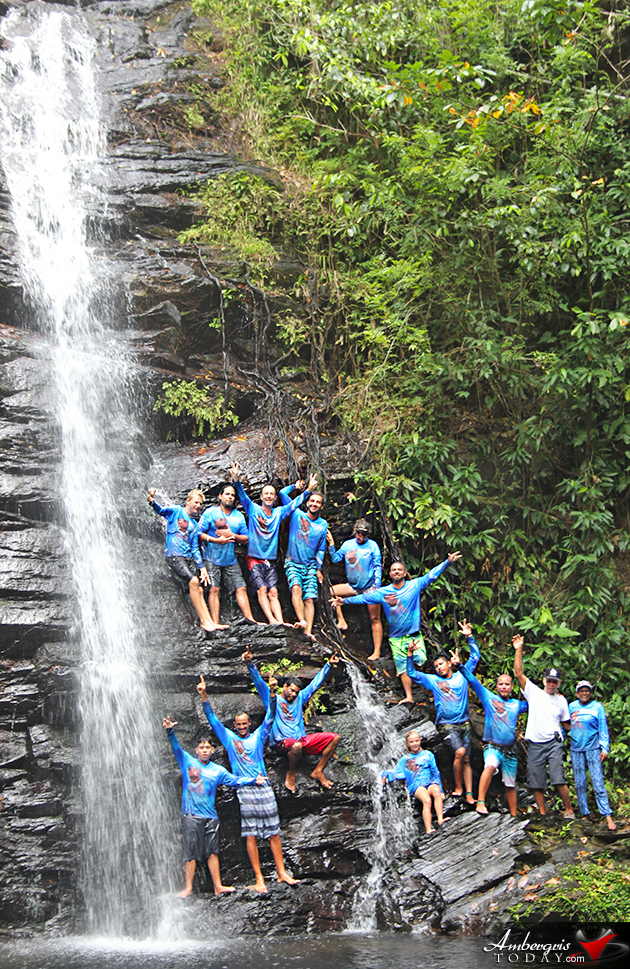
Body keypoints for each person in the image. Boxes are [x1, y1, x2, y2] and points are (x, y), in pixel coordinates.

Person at [197, 674, 298, 893]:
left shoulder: (259, 736)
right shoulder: (229, 739)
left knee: (274, 832)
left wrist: (273, 692)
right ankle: (259, 878)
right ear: (234, 725)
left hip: (264, 787)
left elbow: (271, 715)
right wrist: (204, 697)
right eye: (239, 724)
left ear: (249, 724)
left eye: (245, 724)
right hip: (245, 790)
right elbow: (213, 720)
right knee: (250, 834)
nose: (242, 726)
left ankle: (282, 872)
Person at [330, 553, 462, 703]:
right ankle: (409, 697)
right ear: (390, 574)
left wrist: (447, 562)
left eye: (399, 569)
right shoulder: (383, 592)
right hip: (396, 639)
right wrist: (344, 601)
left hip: (414, 635)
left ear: (405, 573)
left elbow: (431, 575)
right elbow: (364, 598)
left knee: (421, 660)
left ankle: (433, 689)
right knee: (403, 668)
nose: (397, 572)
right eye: (394, 570)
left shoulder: (414, 585)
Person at [162, 717, 266, 897]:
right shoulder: (187, 761)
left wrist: (252, 780)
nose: (204, 750)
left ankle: (218, 886)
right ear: (196, 750)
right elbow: (176, 747)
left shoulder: (218, 770)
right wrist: (170, 731)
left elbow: (235, 781)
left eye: (207, 747)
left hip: (211, 816)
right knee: (190, 851)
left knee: (212, 852)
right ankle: (188, 888)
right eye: (201, 747)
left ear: (212, 750)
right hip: (191, 814)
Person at [230, 463, 317, 625]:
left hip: (270, 560)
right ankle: (271, 620)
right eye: (266, 494)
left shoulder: (278, 513)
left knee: (274, 592)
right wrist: (236, 480)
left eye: (272, 494)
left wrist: (308, 491)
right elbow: (241, 495)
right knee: (262, 589)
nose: (269, 496)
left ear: (275, 498)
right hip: (253, 558)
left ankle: (280, 621)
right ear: (261, 496)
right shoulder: (253, 509)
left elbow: (293, 505)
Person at [245, 648, 340, 793]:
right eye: (292, 690)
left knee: (334, 738)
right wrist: (249, 663)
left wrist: (328, 665)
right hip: (282, 743)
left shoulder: (300, 698)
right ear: (284, 687)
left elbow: (315, 684)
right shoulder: (273, 699)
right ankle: (291, 772)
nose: (294, 694)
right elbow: (258, 682)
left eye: (296, 692)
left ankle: (318, 770)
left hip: (300, 741)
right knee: (296, 746)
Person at [405, 620, 480, 805]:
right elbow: (412, 673)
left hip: (464, 722)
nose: (439, 668)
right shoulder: (433, 680)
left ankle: (469, 793)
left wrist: (469, 637)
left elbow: (475, 656)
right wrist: (410, 654)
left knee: (467, 758)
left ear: (449, 663)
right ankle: (458, 787)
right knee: (460, 752)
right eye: (436, 666)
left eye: (441, 664)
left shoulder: (462, 675)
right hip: (446, 725)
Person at [457, 644, 528, 816]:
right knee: (489, 766)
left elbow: (535, 702)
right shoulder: (488, 698)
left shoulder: (516, 705)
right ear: (496, 686)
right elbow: (473, 681)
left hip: (510, 750)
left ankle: (513, 815)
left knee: (510, 785)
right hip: (492, 746)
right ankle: (480, 802)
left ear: (512, 687)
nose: (504, 687)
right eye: (501, 684)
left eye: (507, 684)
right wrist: (460, 666)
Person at [147, 487, 227, 633]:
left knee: (200, 588)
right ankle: (204, 622)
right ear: (187, 501)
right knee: (194, 582)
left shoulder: (194, 524)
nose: (198, 506)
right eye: (196, 502)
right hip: (174, 555)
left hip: (188, 557)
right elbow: (162, 511)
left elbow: (195, 548)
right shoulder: (177, 511)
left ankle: (210, 621)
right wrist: (152, 502)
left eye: (200, 504)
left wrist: (202, 568)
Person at [513, 636, 574, 819]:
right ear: (544, 680)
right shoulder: (534, 693)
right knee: (536, 780)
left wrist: (579, 725)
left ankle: (569, 810)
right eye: (549, 681)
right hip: (535, 743)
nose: (552, 684)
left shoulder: (562, 701)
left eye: (555, 682)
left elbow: (567, 725)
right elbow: (518, 674)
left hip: (554, 743)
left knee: (558, 778)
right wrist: (518, 649)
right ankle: (542, 813)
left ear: (559, 683)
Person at [197, 483, 260, 625]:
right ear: (220, 496)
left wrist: (233, 536)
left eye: (232, 495)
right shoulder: (210, 512)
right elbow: (199, 533)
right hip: (211, 557)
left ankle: (251, 620)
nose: (230, 497)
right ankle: (215, 623)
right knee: (213, 589)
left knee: (241, 587)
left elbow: (246, 538)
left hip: (230, 559)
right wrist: (215, 540)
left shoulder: (238, 516)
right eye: (227, 494)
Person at [327, 519, 383, 660]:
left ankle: (376, 652)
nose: (361, 537)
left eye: (364, 535)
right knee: (330, 591)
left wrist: (377, 586)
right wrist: (331, 544)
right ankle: (341, 620)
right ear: (355, 532)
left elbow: (377, 565)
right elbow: (335, 559)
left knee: (375, 619)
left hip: (370, 587)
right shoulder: (348, 545)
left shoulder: (373, 546)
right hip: (353, 586)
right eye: (359, 534)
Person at [279, 482, 329, 635]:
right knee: (296, 588)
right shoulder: (296, 513)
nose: (314, 504)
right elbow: (282, 493)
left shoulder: (323, 524)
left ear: (321, 506)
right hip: (293, 561)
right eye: (312, 501)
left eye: (318, 502)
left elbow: (321, 549)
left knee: (309, 598)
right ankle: (301, 620)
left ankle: (308, 632)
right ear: (307, 502)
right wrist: (298, 487)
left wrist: (318, 568)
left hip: (310, 565)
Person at [569, 681, 616, 830]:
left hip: (593, 748)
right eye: (581, 691)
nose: (584, 693)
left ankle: (607, 815)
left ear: (590, 692)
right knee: (580, 783)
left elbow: (603, 728)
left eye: (587, 690)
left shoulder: (597, 707)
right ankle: (584, 814)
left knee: (597, 781)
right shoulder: (572, 706)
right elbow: (565, 724)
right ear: (577, 693)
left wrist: (605, 748)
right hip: (576, 748)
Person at [381, 730, 447, 834]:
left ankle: (440, 819)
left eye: (416, 741)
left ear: (420, 741)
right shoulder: (405, 759)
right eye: (411, 742)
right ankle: (428, 828)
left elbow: (435, 772)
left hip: (430, 783)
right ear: (407, 744)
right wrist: (385, 774)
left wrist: (441, 790)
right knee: (427, 800)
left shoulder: (428, 755)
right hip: (417, 786)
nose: (414, 744)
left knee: (436, 791)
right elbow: (396, 772)